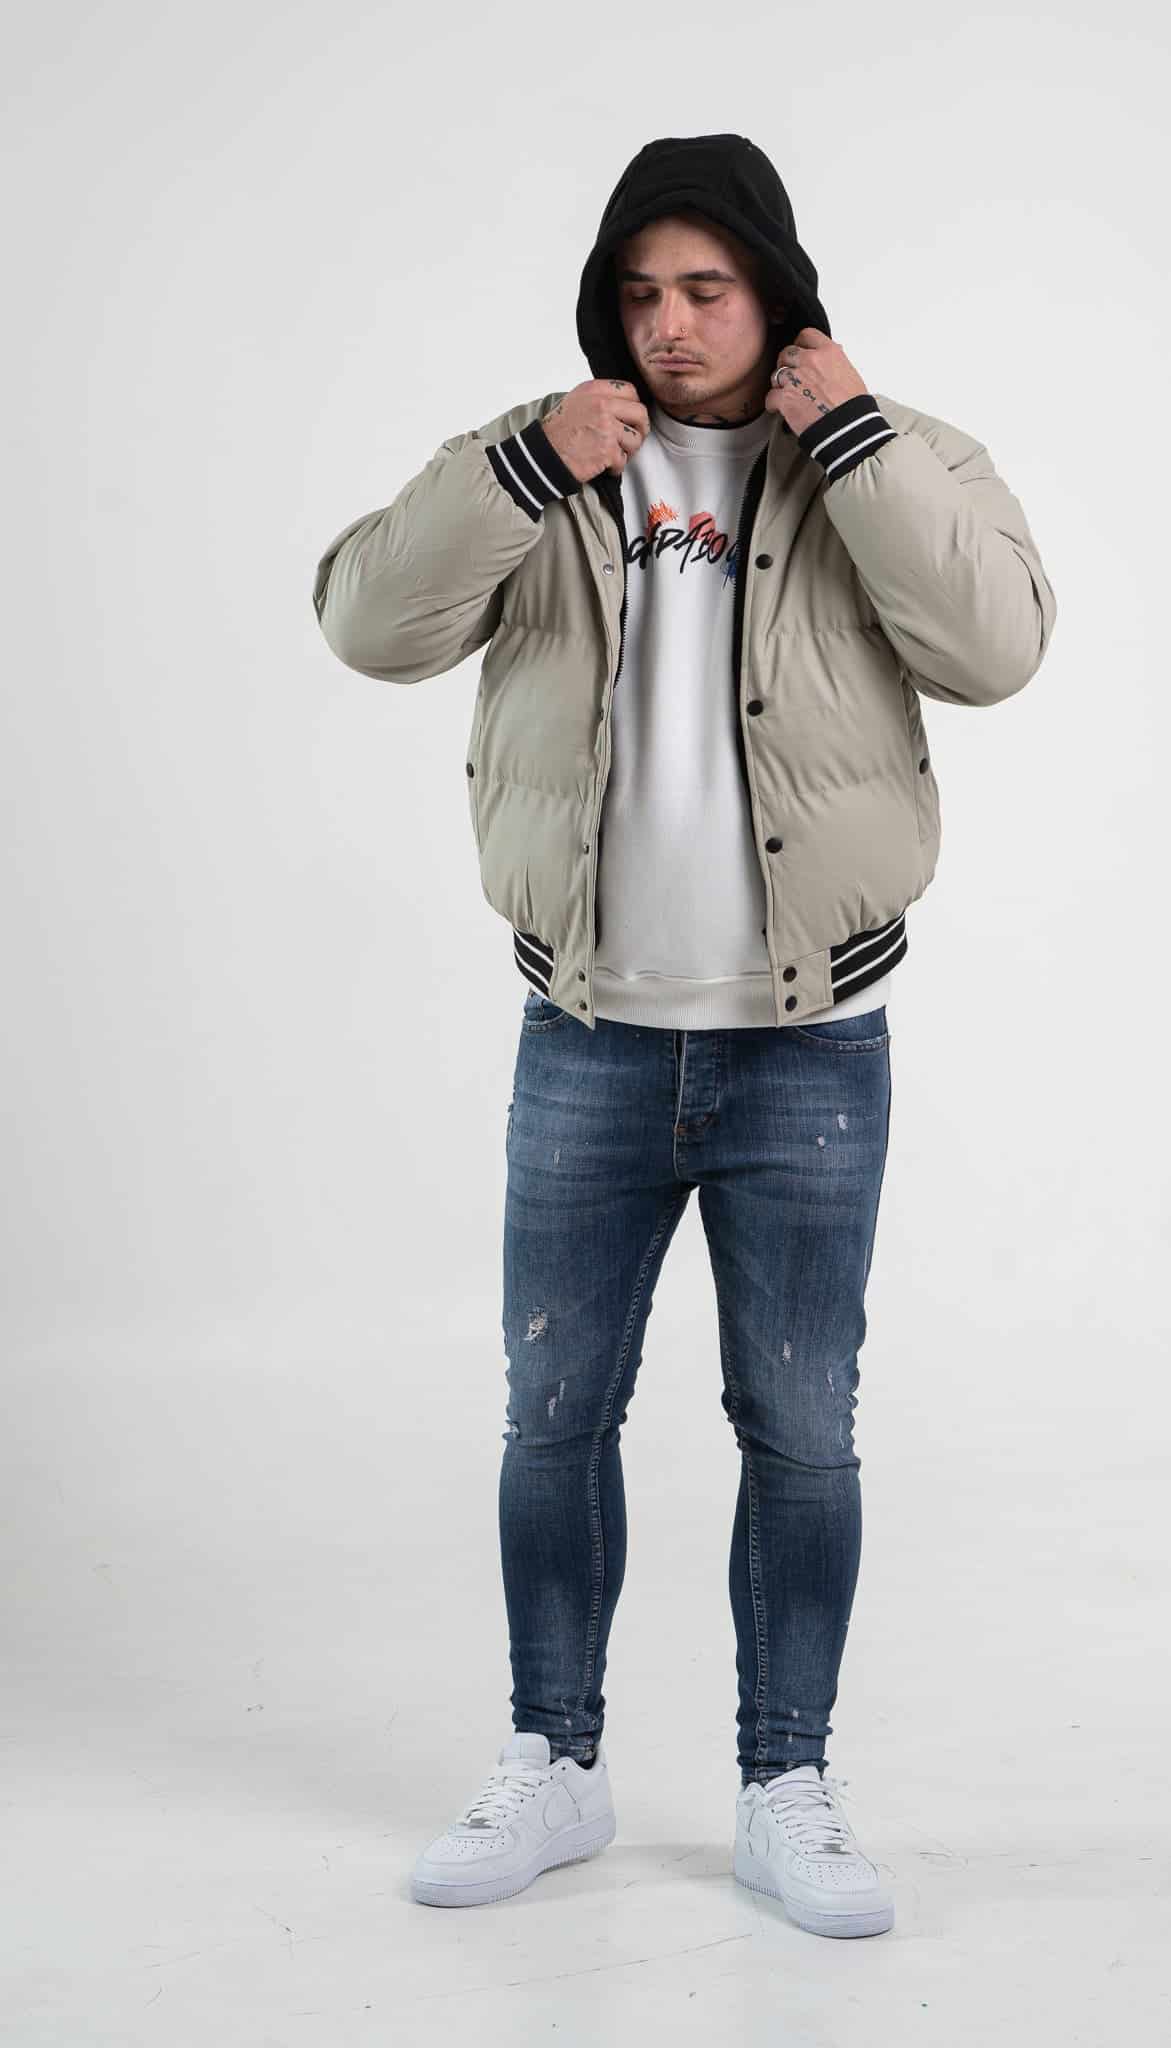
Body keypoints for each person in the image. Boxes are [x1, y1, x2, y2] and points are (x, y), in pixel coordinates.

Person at [312, 131, 1058, 1940]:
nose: (669, 323)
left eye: (705, 288)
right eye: (639, 292)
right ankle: (554, 1762)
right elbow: (365, 624)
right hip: (586, 1034)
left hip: (810, 1046)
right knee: (553, 1412)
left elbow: (995, 650)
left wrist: (851, 437)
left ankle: (784, 1784)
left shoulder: (892, 450)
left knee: (798, 1427)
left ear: (773, 290)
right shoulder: (549, 458)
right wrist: (522, 465)